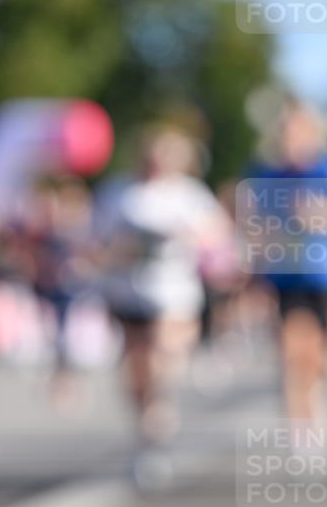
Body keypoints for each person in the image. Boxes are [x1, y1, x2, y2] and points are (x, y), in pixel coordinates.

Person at [97, 125, 234, 483]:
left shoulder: (190, 195)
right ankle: (147, 433)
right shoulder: (119, 192)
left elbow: (217, 234)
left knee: (162, 356)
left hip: (174, 293)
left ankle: (160, 409)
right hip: (128, 289)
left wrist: (187, 236)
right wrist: (121, 248)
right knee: (136, 368)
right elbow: (96, 239)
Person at [243, 96, 327, 421]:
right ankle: (301, 420)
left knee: (324, 351)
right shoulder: (267, 175)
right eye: (284, 131)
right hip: (286, 275)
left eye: (296, 131)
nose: (289, 139)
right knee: (292, 348)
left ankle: (324, 388)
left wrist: (323, 215)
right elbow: (254, 226)